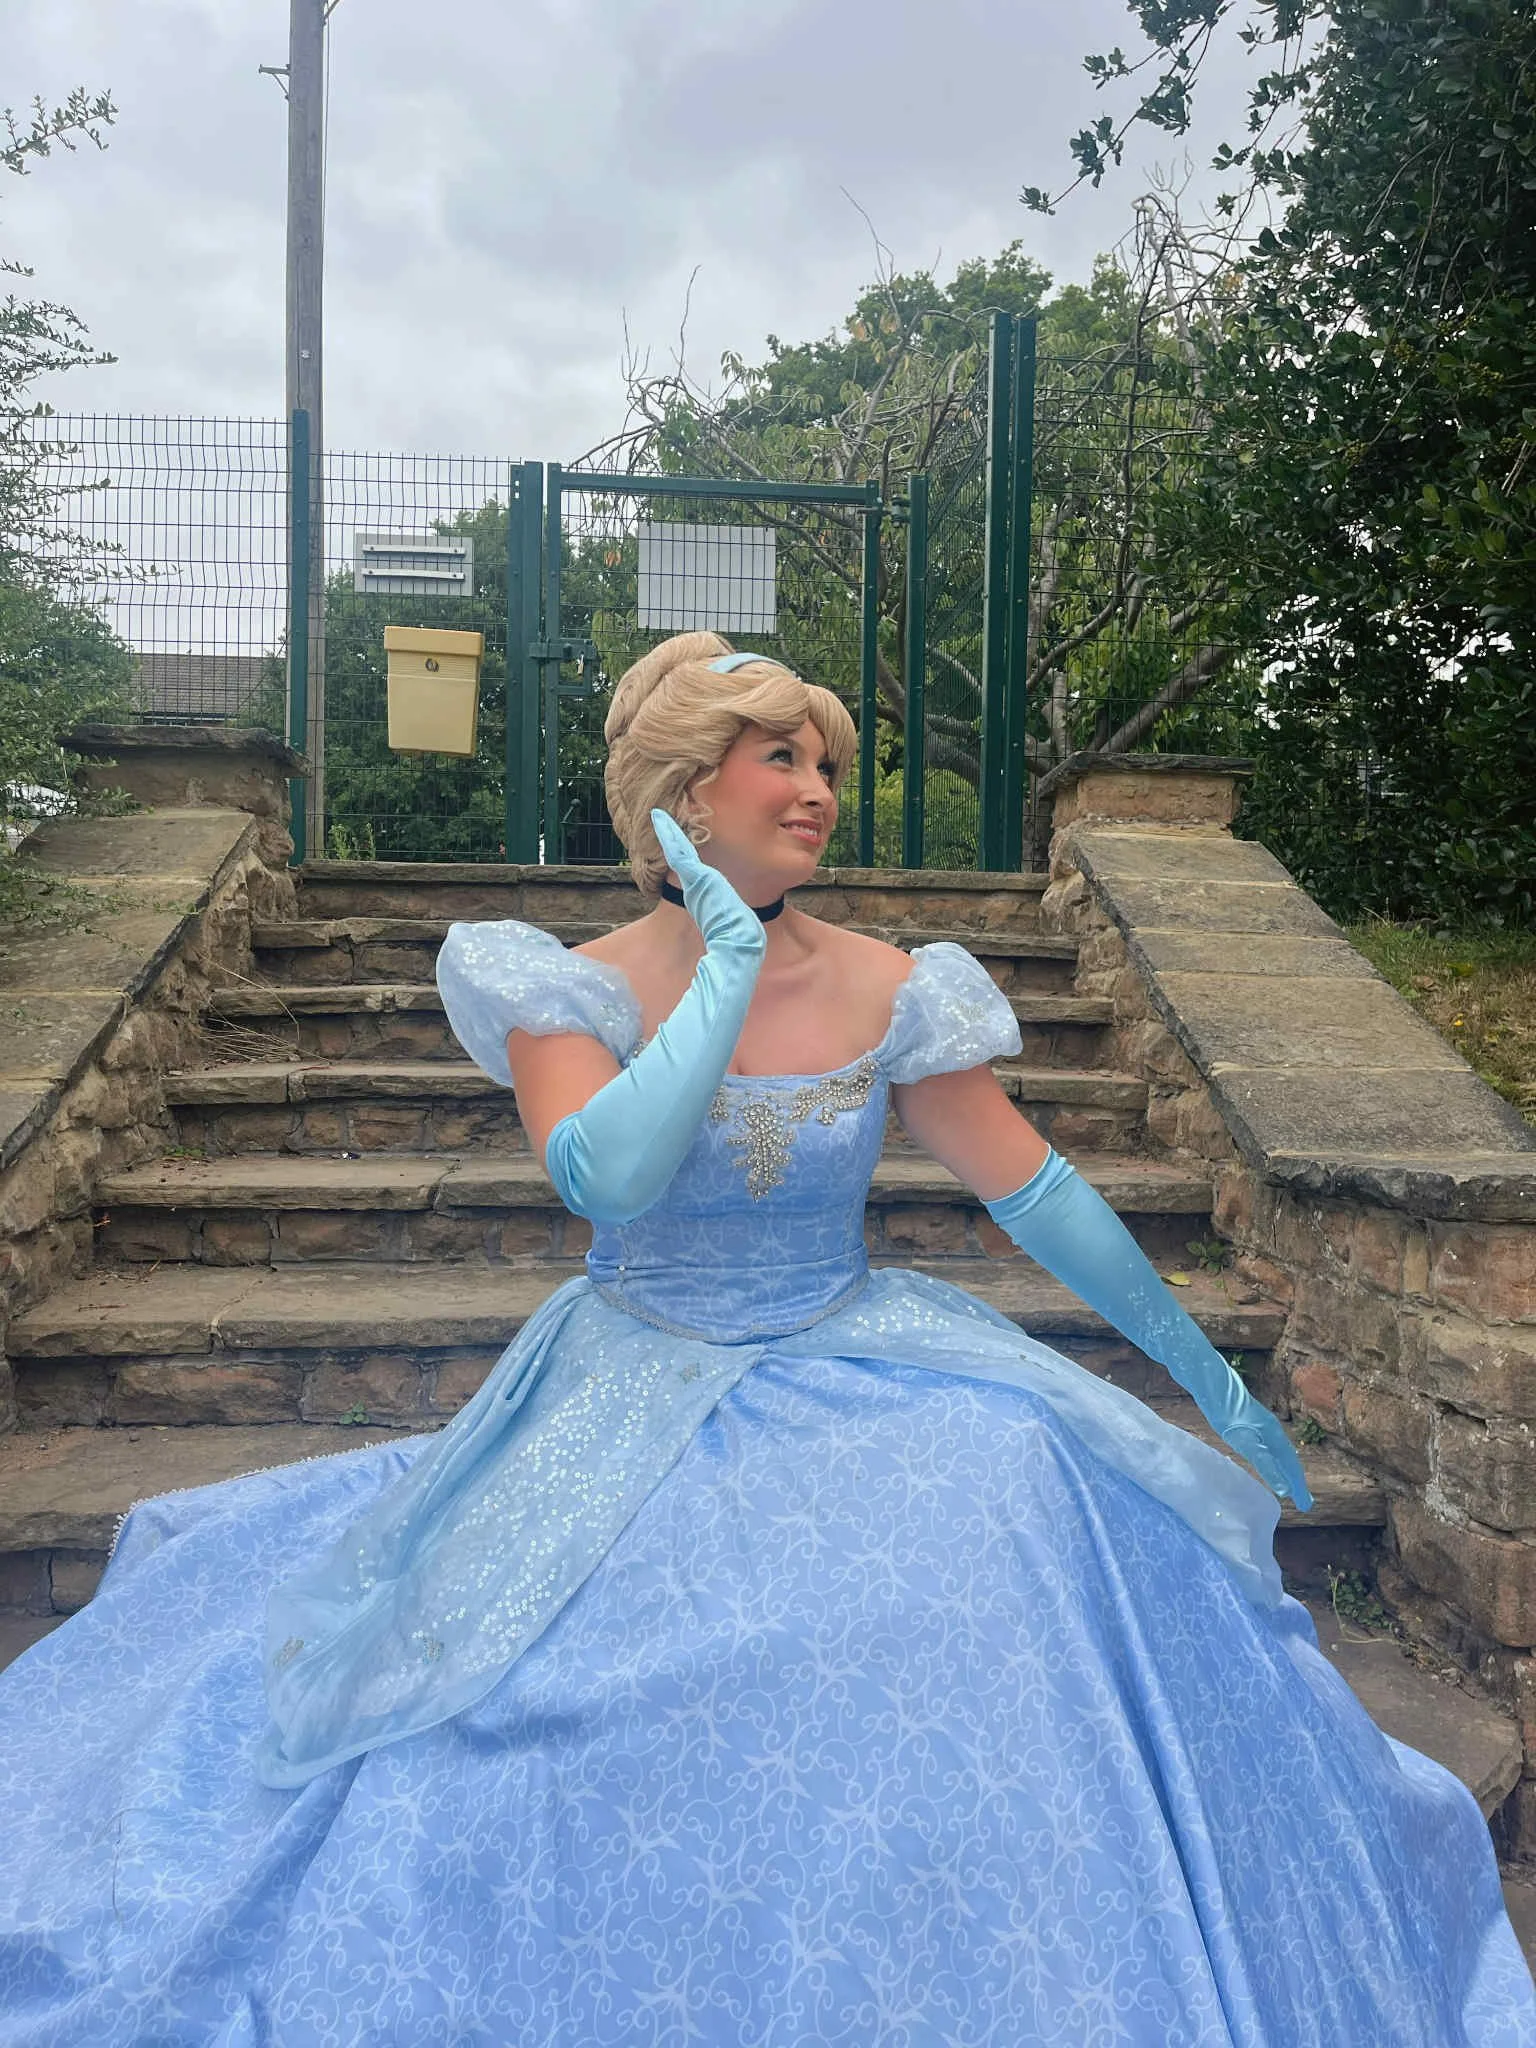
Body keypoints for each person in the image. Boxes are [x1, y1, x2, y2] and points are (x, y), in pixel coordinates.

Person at [0, 631, 1530, 2046]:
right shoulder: (565, 985)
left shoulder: (887, 984)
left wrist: (1203, 1367)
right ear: (683, 791)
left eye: (825, 764)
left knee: (1005, 1494)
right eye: (781, 759)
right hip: (635, 1365)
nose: (818, 793)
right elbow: (603, 1177)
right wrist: (722, 971)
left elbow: (1038, 1191)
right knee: (532, 1676)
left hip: (854, 1340)